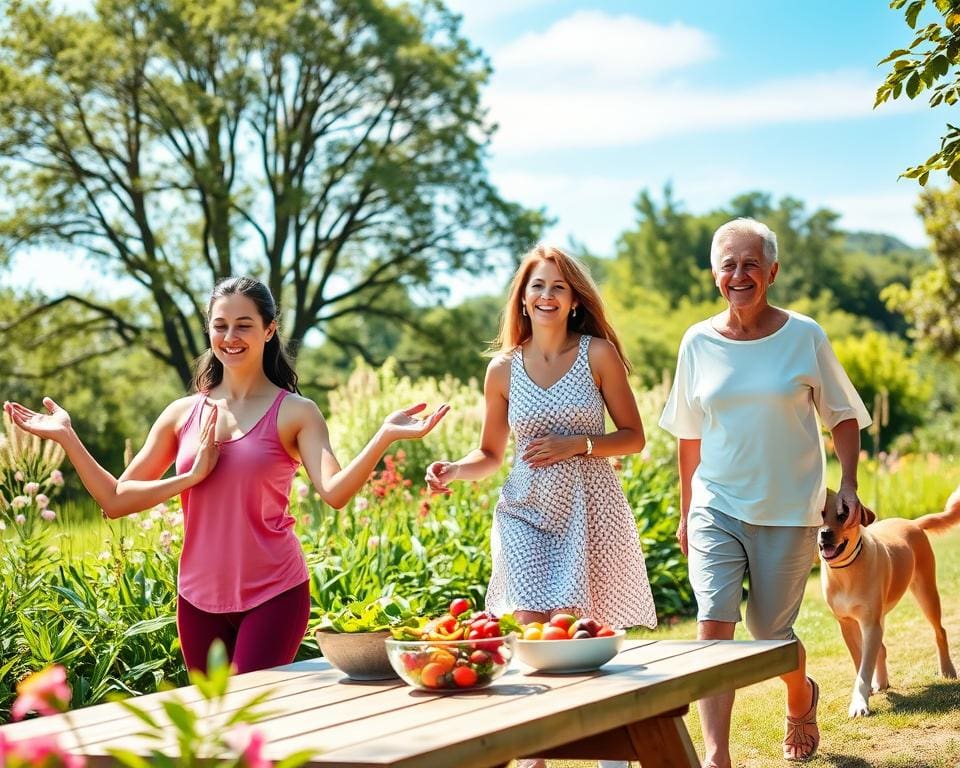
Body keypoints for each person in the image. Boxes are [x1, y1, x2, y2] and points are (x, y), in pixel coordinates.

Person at [4, 276, 448, 674]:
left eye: (244, 325)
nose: (230, 337)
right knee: (218, 732)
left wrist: (384, 436)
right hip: (197, 600)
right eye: (220, 325)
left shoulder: (295, 412)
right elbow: (117, 499)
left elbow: (333, 492)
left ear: (269, 330)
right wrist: (68, 437)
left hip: (274, 593)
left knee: (246, 722)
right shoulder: (182, 414)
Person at [426, 244, 657, 768]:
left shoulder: (597, 354)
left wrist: (578, 443)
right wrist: (454, 470)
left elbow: (634, 436)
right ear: (523, 299)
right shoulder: (502, 370)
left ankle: (609, 750)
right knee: (530, 635)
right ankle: (532, 755)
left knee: (576, 636)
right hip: (525, 510)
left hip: (587, 507)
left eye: (558, 286)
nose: (547, 295)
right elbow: (489, 454)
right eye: (537, 286)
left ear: (574, 299)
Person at [659, 218, 871, 765]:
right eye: (728, 263)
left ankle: (802, 697)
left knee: (769, 633)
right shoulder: (697, 341)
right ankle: (716, 755)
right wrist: (687, 513)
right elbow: (689, 436)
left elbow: (842, 416)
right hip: (716, 504)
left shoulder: (805, 335)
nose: (740, 274)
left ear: (772, 271)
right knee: (713, 622)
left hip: (789, 508)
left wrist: (847, 483)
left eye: (752, 263)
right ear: (714, 274)